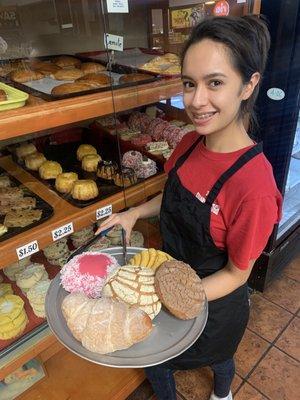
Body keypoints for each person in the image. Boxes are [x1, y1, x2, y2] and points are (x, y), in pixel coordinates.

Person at [96, 15, 282, 400]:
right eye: (188, 83)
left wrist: (173, 293)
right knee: (156, 357)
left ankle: (222, 394)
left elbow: (237, 274)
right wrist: (134, 213)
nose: (196, 101)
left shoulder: (254, 188)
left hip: (214, 303)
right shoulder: (188, 144)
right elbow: (177, 196)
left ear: (249, 85)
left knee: (220, 356)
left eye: (215, 83)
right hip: (168, 278)